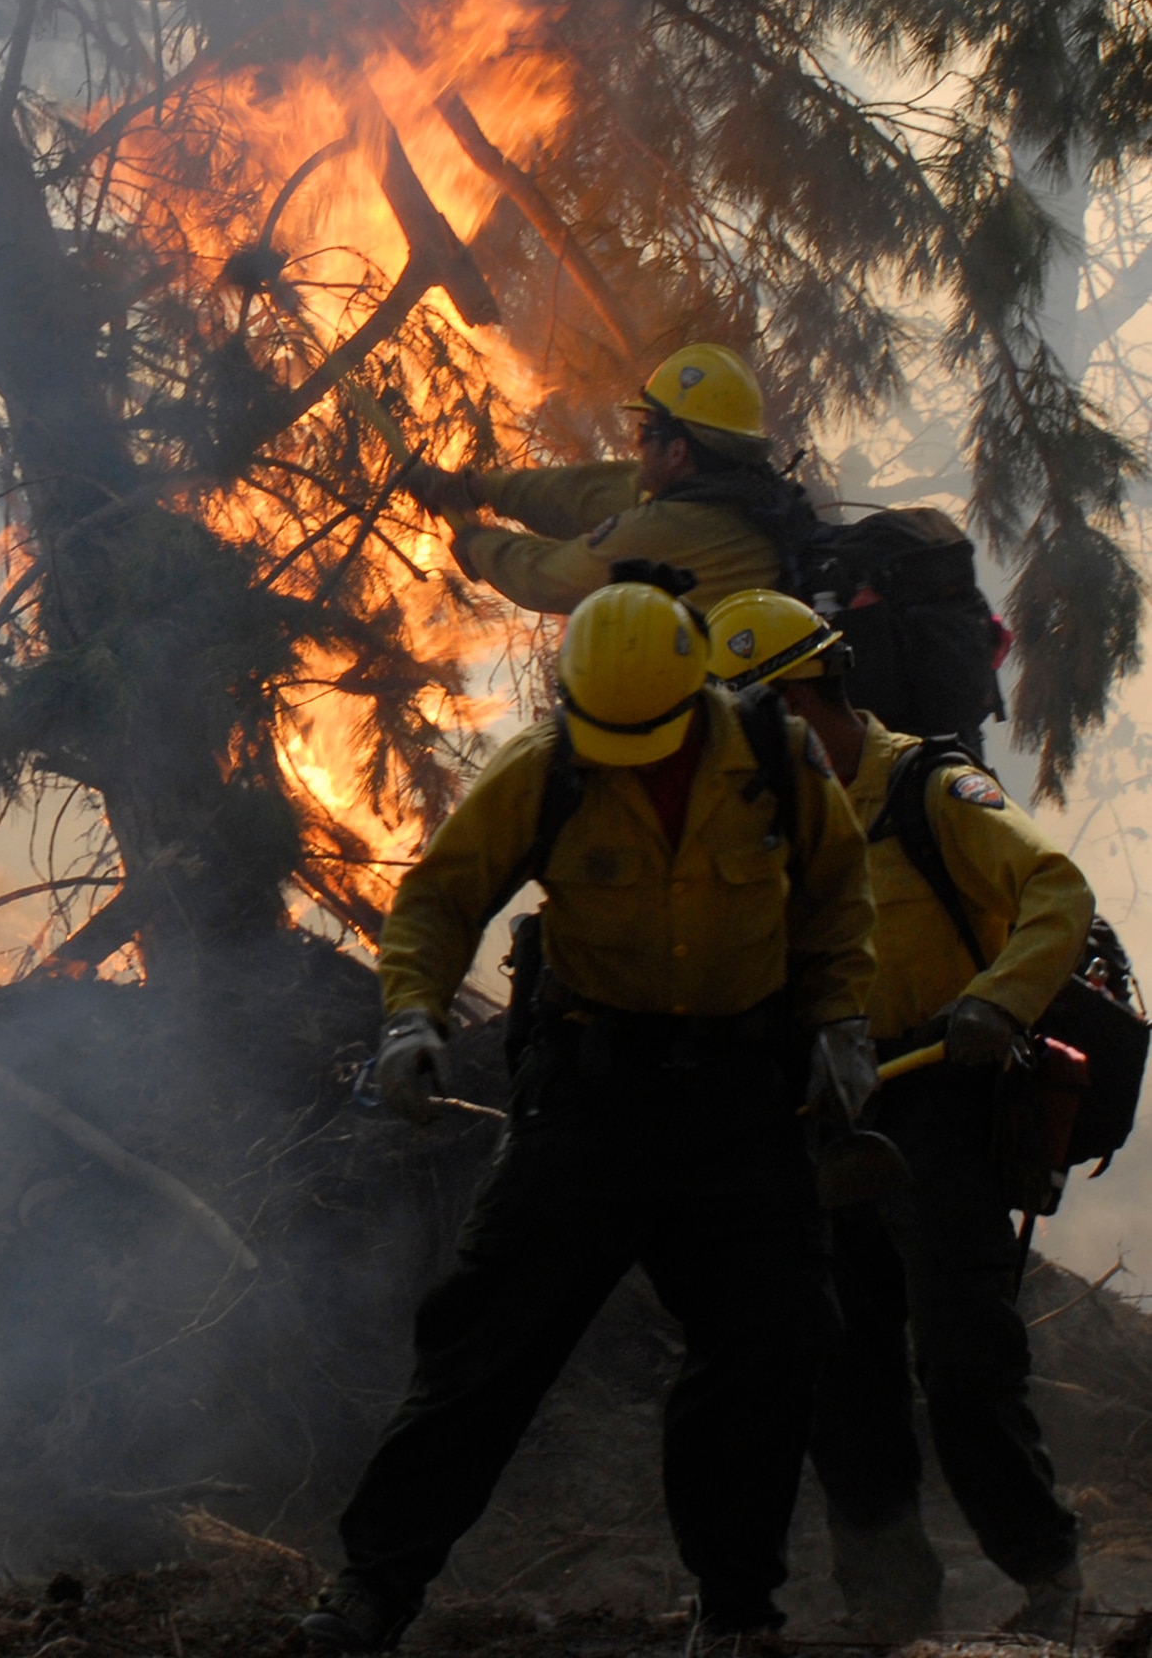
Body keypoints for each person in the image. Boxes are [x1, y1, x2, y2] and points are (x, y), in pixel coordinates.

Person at [302, 575, 878, 1654]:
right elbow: (438, 897)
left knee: (766, 1345)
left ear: (694, 692)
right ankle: (371, 1590)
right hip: (591, 1097)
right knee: (487, 1344)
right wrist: (409, 1017)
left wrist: (841, 1015)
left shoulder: (773, 761)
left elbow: (839, 892)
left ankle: (737, 1611)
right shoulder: (545, 769)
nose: (635, 760)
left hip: (740, 1102)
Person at [703, 588, 1096, 1642]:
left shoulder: (930, 783)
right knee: (842, 1364)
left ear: (796, 696)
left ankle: (1045, 1574)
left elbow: (1056, 890)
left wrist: (994, 1000)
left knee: (963, 1354)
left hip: (941, 1091)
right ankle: (885, 1593)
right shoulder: (760, 816)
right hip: (825, 1107)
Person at [403, 342, 815, 614]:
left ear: (677, 452)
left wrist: (476, 543)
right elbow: (583, 496)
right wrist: (480, 489)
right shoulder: (738, 495)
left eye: (645, 432)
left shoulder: (667, 531)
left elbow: (551, 577)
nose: (637, 445)